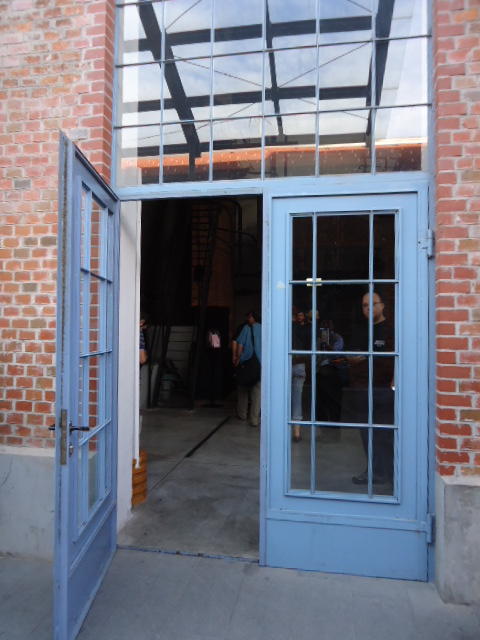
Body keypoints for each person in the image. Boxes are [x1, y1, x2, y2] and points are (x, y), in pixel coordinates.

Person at [347, 291, 394, 485]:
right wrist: (352, 359)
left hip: (384, 390)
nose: (368, 308)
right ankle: (375, 470)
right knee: (367, 432)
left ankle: (387, 473)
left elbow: (397, 360)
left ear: (382, 306)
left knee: (383, 433)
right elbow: (351, 355)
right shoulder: (360, 330)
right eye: (365, 305)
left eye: (373, 304)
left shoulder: (391, 330)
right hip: (361, 389)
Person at [233, 311, 261, 427]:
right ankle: (254, 419)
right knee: (257, 392)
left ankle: (242, 414)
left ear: (254, 318)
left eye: (249, 317)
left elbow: (240, 344)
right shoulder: (264, 328)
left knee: (243, 389)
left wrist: (238, 358)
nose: (248, 319)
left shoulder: (246, 328)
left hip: (246, 361)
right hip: (259, 362)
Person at [291, 310, 310, 442]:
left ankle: (282, 426)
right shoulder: (306, 329)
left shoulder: (285, 327)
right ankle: (296, 431)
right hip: (300, 363)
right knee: (297, 398)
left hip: (286, 364)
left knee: (283, 397)